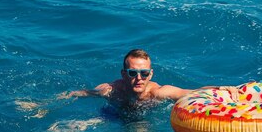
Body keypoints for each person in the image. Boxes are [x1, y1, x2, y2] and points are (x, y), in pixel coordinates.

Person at [59, 49, 238, 108]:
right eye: (132, 73)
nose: (139, 78)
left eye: (144, 73)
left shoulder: (158, 93)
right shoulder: (111, 90)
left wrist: (220, 88)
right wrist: (45, 104)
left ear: (150, 74)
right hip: (113, 114)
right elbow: (84, 92)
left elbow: (190, 92)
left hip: (142, 119)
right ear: (123, 74)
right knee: (75, 127)